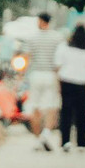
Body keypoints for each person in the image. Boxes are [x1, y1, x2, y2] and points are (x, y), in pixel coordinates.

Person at [54, 24, 85, 151]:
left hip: (66, 81)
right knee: (82, 113)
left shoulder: (64, 47)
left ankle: (65, 141)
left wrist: (58, 85)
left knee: (66, 112)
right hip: (83, 83)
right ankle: (81, 142)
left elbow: (58, 66)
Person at [24, 12, 63, 151]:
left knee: (35, 107)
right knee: (51, 107)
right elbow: (60, 60)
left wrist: (21, 76)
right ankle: (45, 134)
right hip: (51, 75)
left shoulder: (32, 38)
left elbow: (27, 58)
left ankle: (37, 139)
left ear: (40, 21)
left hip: (35, 75)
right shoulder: (57, 38)